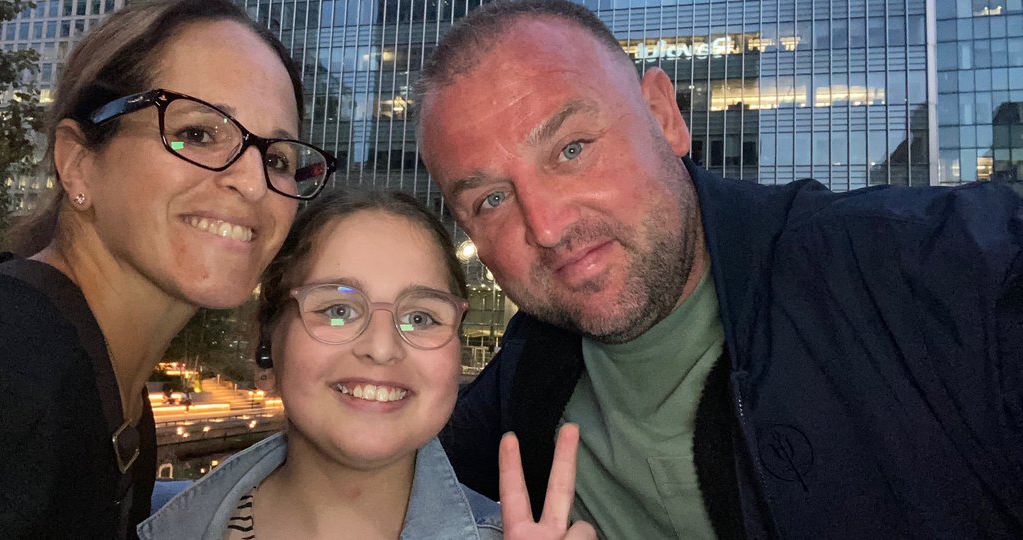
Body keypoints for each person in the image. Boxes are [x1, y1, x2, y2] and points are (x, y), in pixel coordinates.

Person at [415, 1, 1023, 538]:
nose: (546, 227)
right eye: (491, 200)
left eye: (572, 150)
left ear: (664, 117)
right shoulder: (524, 374)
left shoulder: (923, 273)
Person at [0, 1, 336, 538]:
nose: (252, 183)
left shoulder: (107, 396)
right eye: (199, 133)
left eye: (277, 159)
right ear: (77, 162)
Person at [138, 190, 596, 540]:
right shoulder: (150, 524)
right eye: (338, 310)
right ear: (266, 347)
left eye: (421, 317)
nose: (381, 347)